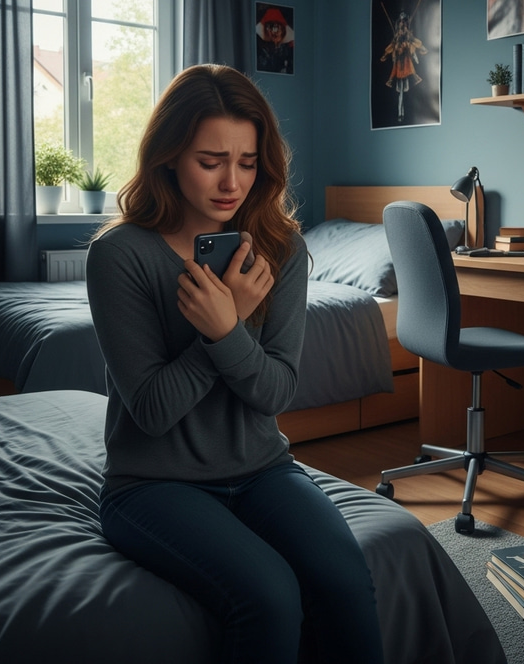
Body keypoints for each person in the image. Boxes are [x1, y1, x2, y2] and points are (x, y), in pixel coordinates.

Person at [86, 64, 385, 664]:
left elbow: (275, 393)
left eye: (247, 162)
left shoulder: (282, 248)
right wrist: (221, 330)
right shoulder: (119, 255)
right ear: (169, 157)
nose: (232, 182)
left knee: (347, 580)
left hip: (263, 471)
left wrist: (228, 330)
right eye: (210, 161)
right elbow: (152, 411)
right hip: (151, 486)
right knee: (269, 597)